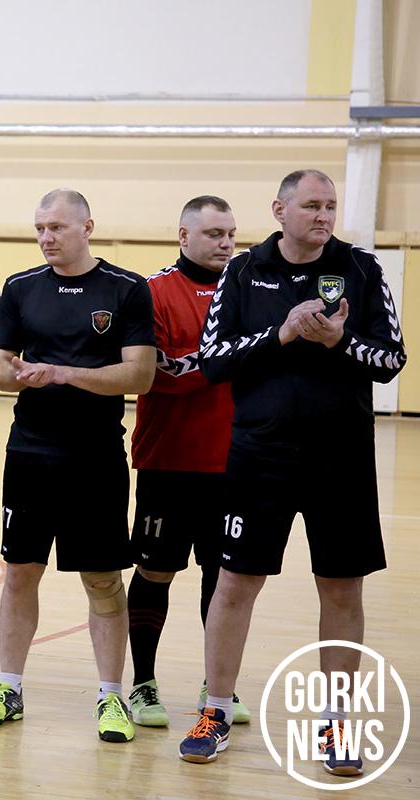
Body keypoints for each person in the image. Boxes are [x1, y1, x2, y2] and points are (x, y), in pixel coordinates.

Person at [179, 170, 405, 775]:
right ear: (280, 210)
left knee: (342, 587)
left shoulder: (362, 269)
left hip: (342, 458)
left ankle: (336, 723)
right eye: (311, 205)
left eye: (330, 206)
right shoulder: (242, 271)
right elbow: (212, 359)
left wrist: (339, 340)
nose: (323, 215)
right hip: (261, 455)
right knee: (235, 583)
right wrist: (280, 334)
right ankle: (215, 710)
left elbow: (390, 359)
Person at [0, 189, 155, 744]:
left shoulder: (126, 289)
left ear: (87, 227)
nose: (46, 238)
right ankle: (8, 688)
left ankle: (110, 696)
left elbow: (140, 375)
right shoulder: (21, 287)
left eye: (56, 227)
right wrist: (19, 374)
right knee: (20, 571)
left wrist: (63, 373)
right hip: (30, 453)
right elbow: (1, 372)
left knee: (102, 579)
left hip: (96, 458)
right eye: (39, 228)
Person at [126, 196, 251, 727]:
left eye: (231, 234)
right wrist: (237, 355)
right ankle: (143, 684)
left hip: (234, 461)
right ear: (183, 236)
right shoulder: (152, 292)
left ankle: (216, 685)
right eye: (214, 234)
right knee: (156, 570)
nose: (226, 244)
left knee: (222, 577)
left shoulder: (248, 289)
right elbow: (159, 373)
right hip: (168, 460)